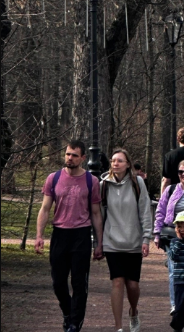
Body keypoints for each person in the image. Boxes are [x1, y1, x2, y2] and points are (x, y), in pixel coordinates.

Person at [35, 141, 103, 332]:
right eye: (67, 154)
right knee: (58, 282)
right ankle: (67, 312)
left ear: (83, 158)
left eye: (74, 155)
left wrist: (99, 243)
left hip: (81, 234)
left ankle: (75, 322)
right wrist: (39, 235)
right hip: (60, 234)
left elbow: (96, 213)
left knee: (79, 283)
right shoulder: (54, 178)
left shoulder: (92, 181)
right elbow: (45, 208)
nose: (69, 158)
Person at [100, 149, 152, 332]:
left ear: (128, 164)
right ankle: (119, 327)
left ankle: (133, 311)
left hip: (133, 241)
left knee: (133, 285)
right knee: (117, 281)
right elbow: (100, 215)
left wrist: (146, 238)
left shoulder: (137, 183)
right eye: (113, 160)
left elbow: (145, 211)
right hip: (112, 241)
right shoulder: (103, 185)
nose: (115, 163)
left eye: (120, 161)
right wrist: (97, 242)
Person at [154, 160, 184, 315]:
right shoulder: (170, 190)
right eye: (180, 172)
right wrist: (156, 233)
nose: (183, 174)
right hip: (172, 236)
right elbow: (160, 211)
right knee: (174, 270)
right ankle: (175, 305)